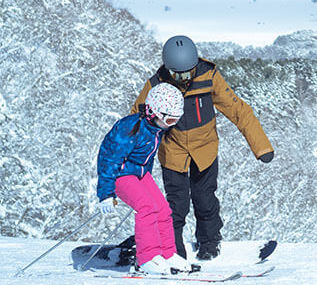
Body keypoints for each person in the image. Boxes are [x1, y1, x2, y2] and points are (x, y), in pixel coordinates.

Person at [130, 35, 274, 261]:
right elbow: (135, 120)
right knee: (176, 207)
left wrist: (261, 146)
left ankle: (209, 242)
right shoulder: (156, 85)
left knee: (205, 199)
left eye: (189, 72)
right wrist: (126, 157)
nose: (185, 79)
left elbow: (238, 110)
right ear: (169, 70)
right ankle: (174, 251)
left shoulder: (209, 77)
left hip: (205, 149)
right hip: (174, 152)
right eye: (179, 75)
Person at [97, 82, 192, 275]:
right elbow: (109, 159)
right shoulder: (130, 127)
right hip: (120, 175)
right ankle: (147, 258)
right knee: (147, 207)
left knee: (164, 210)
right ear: (153, 112)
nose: (171, 125)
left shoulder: (155, 129)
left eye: (175, 120)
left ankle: (167, 254)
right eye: (170, 120)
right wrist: (106, 193)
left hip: (139, 174)